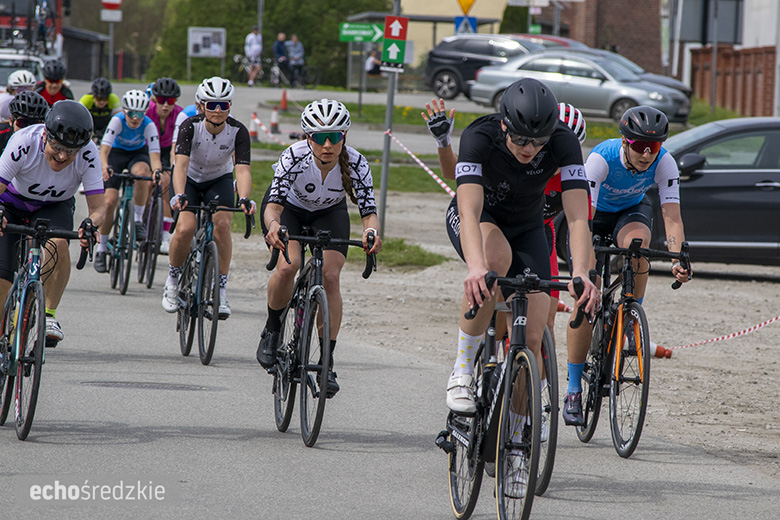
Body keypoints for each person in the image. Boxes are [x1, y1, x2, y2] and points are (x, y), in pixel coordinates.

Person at [562, 105, 692, 426]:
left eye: (654, 147)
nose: (647, 155)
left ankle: (631, 316)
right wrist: (587, 271)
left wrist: (678, 257)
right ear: (624, 141)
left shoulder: (665, 162)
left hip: (631, 211)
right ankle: (574, 389)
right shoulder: (600, 159)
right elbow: (584, 220)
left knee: (639, 251)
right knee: (586, 301)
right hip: (593, 216)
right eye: (639, 147)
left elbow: (671, 216)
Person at [421, 99, 588, 347]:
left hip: (534, 228)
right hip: (487, 220)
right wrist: (443, 143)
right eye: (524, 139)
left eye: (543, 142)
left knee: (542, 322)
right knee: (495, 266)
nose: (535, 150)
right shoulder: (494, 142)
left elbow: (579, 222)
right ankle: (481, 354)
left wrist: (582, 273)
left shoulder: (567, 167)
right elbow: (458, 183)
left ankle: (527, 374)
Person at [256, 99, 382, 397]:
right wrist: (274, 226)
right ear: (307, 137)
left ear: (344, 137)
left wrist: (372, 232)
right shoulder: (293, 156)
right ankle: (272, 329)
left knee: (331, 276)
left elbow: (368, 212)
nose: (328, 144)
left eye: (335, 136)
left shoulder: (357, 162)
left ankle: (327, 360)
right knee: (289, 265)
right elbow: (273, 206)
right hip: (291, 211)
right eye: (320, 137)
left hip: (330, 213)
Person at [0, 100, 105, 343]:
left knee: (58, 242)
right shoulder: (24, 141)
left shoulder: (88, 153)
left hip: (55, 205)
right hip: (12, 203)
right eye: (57, 147)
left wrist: (91, 223)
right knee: (3, 280)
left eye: (70, 151)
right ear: (45, 135)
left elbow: (99, 207)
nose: (61, 156)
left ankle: (48, 313)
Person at [161, 77, 256, 319]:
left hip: (218, 179)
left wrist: (244, 198)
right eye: (211, 105)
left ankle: (220, 290)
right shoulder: (189, 126)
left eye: (223, 105)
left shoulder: (239, 131)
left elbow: (242, 170)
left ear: (229, 107)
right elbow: (180, 165)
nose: (217, 110)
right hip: (189, 179)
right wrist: (180, 194)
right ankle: (172, 280)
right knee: (185, 227)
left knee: (222, 226)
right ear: (200, 106)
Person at [94, 89, 162, 273]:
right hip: (116, 154)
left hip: (137, 154)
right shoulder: (117, 121)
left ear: (144, 113)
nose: (134, 118)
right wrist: (104, 167)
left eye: (139, 114)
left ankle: (138, 220)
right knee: (109, 202)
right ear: (124, 111)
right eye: (131, 113)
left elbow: (155, 155)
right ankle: (101, 248)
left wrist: (156, 171)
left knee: (143, 172)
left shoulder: (149, 125)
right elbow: (104, 150)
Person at [147, 77, 183, 253]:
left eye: (170, 101)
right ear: (155, 99)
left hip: (169, 150)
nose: (166, 106)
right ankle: (139, 218)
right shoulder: (147, 111)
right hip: (147, 149)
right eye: (161, 101)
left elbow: (176, 148)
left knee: (168, 183)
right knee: (146, 179)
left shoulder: (179, 114)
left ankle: (165, 235)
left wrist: (174, 168)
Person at [79, 77, 121, 142]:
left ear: (108, 97)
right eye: (98, 99)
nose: (101, 102)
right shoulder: (86, 99)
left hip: (106, 124)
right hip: (91, 124)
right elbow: (78, 117)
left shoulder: (113, 98)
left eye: (104, 99)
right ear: (93, 96)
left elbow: (119, 118)